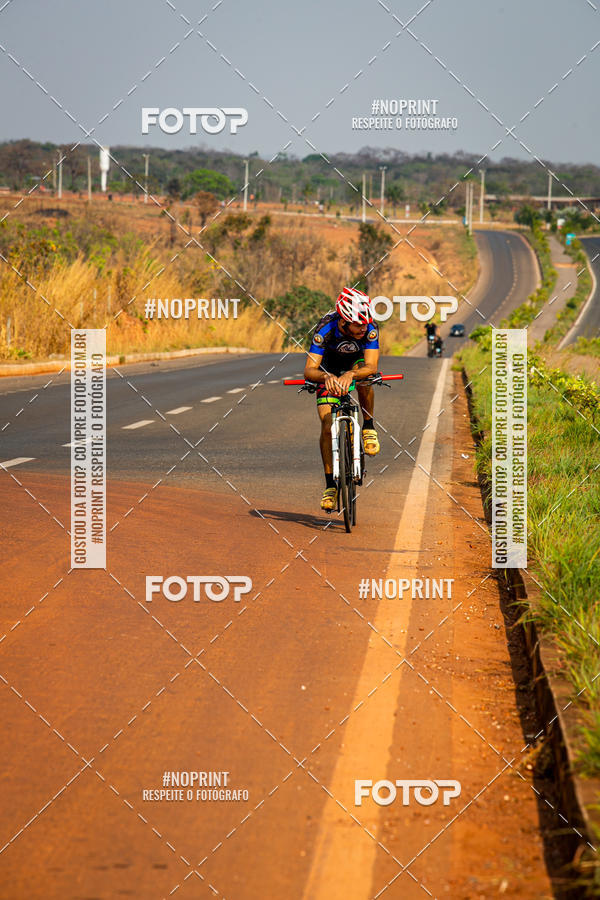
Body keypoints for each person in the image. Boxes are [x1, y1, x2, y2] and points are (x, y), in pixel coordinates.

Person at [303, 287, 380, 511]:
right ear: (343, 321)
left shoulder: (370, 328)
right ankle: (330, 486)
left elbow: (371, 366)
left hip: (355, 366)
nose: (362, 328)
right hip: (327, 370)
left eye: (365, 324)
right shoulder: (325, 328)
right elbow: (309, 370)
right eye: (357, 325)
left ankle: (368, 427)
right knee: (327, 425)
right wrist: (327, 377)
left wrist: (352, 375)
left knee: (366, 380)